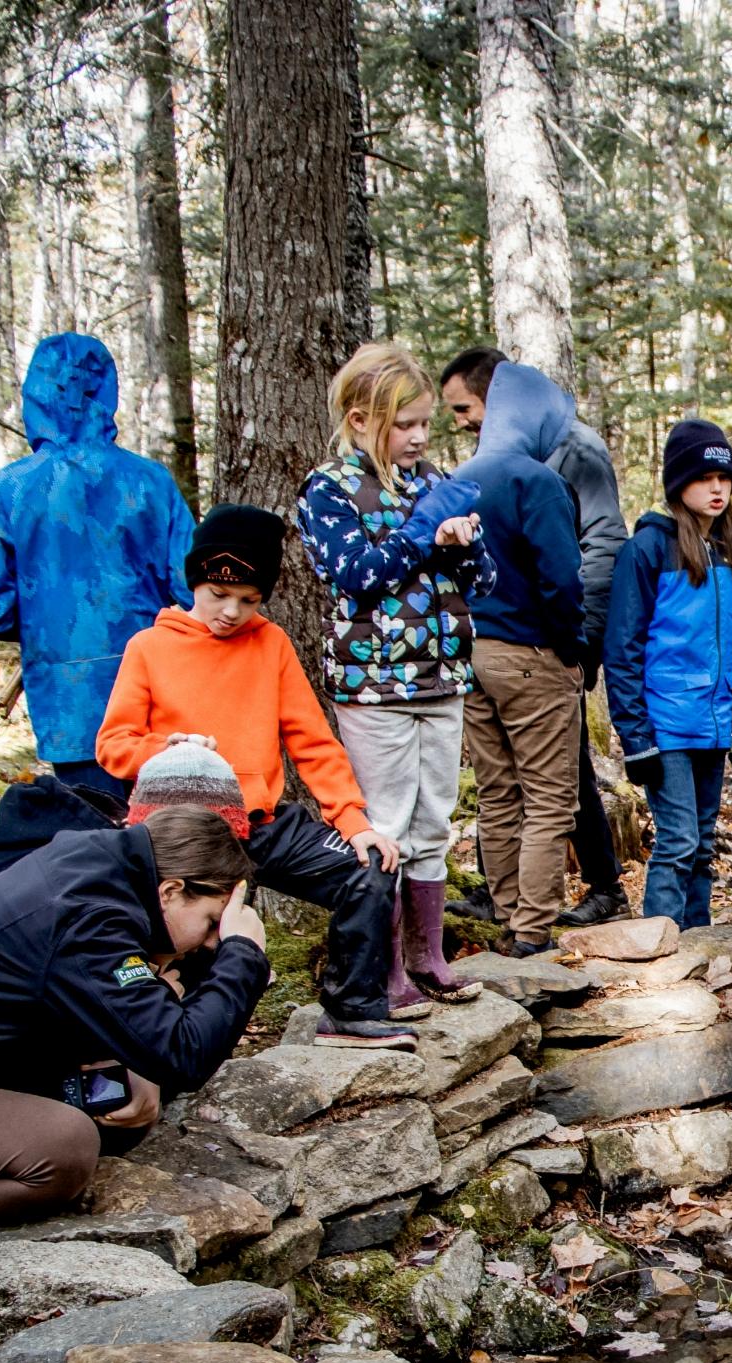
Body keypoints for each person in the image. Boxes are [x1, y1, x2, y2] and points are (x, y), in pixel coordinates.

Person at [0, 804, 271, 1336]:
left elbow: (116, 1024)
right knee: (62, 1145)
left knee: (106, 1097)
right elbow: (186, 1052)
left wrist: (135, 1057)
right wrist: (244, 954)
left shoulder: (95, 872)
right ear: (171, 890)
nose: (212, 941)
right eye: (212, 923)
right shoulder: (87, 916)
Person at [96, 504, 417, 1048]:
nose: (231, 611)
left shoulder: (271, 644)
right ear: (195, 583)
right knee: (182, 931)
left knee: (368, 869)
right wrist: (165, 749)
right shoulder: (149, 647)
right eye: (218, 594)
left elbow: (312, 742)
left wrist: (354, 821)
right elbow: (113, 746)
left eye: (248, 600)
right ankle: (177, 1037)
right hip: (185, 836)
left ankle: (351, 1013)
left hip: (263, 825)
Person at [298, 341, 481, 1012]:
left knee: (434, 821)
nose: (419, 437)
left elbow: (482, 580)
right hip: (374, 686)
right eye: (404, 424)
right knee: (388, 825)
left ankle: (428, 956)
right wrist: (424, 535)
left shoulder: (432, 481)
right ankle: (383, 969)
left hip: (442, 677)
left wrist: (464, 545)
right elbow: (356, 575)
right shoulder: (329, 489)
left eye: (425, 422)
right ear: (359, 420)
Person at [440, 346, 634, 927]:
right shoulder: (516, 469)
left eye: (463, 408)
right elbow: (540, 569)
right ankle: (524, 919)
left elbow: (599, 546)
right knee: (538, 788)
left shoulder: (569, 452)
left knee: (533, 781)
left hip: (525, 643)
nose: (460, 422)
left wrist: (579, 640)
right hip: (520, 647)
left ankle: (576, 892)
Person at [0, 332, 196, 801]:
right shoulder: (152, 482)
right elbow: (193, 587)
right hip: (155, 689)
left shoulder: (11, 488)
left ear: (35, 397)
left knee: (94, 828)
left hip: (67, 697)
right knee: (169, 828)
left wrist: (46, 624)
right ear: (107, 393)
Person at [603, 419, 732, 929]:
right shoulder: (649, 549)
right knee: (678, 841)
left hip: (715, 723)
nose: (717, 488)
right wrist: (636, 737)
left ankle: (698, 940)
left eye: (724, 479)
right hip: (666, 724)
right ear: (679, 484)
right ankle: (659, 948)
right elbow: (623, 648)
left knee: (703, 843)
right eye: (703, 479)